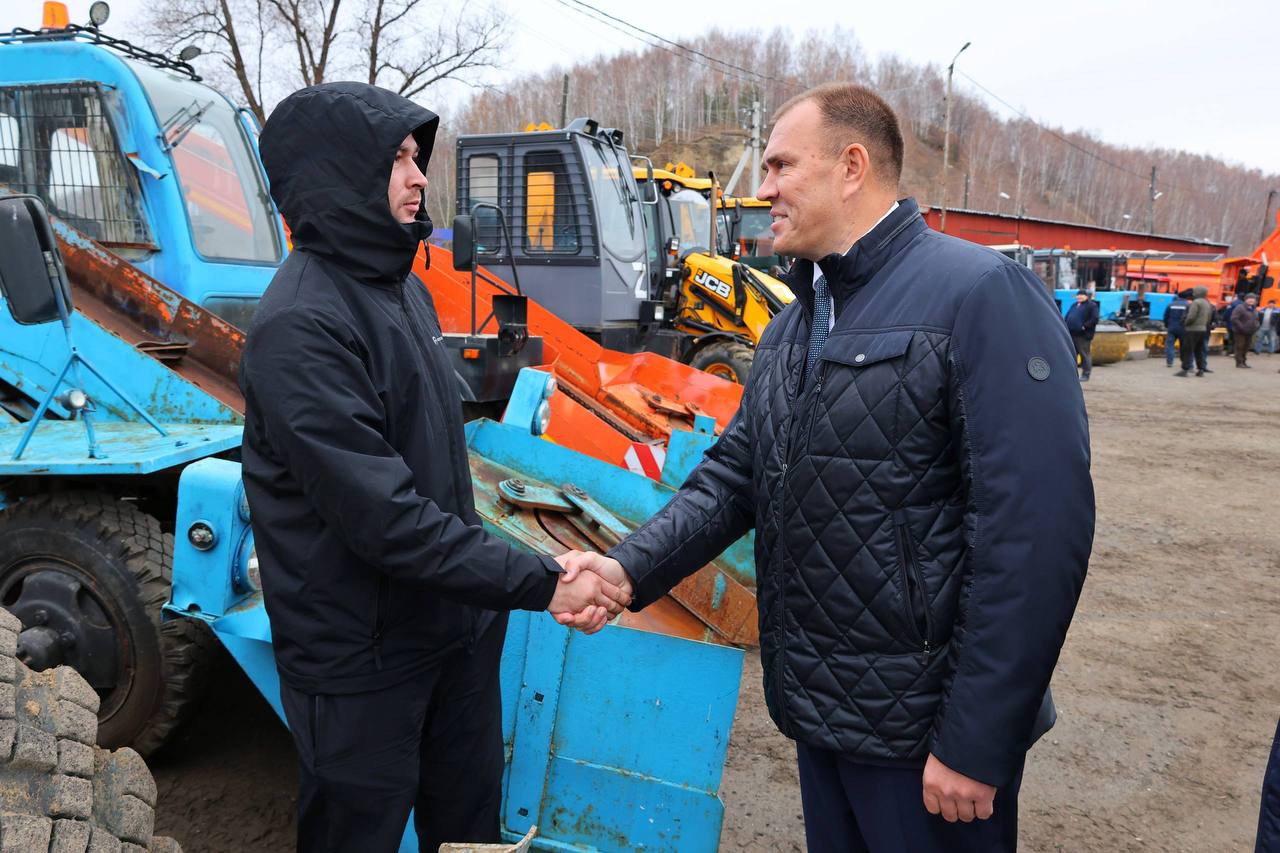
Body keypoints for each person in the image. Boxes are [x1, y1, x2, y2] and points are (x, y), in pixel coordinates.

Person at [558, 83, 1092, 853]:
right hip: (823, 718)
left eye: (780, 165)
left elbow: (1036, 534)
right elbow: (730, 481)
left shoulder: (979, 294)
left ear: (851, 166)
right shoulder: (789, 328)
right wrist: (623, 571)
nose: (762, 187)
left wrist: (976, 739)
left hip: (925, 741)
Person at [240, 82, 629, 853]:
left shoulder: (406, 290)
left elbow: (437, 470)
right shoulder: (299, 326)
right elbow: (386, 518)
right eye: (400, 159)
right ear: (339, 173)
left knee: (468, 832)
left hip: (450, 637)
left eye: (418, 158)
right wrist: (546, 580)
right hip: (363, 666)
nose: (420, 177)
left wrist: (493, 598)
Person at [1064, 288, 1100, 380]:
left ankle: (1086, 374)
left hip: (1083, 335)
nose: (1079, 296)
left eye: (1081, 295)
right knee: (1072, 355)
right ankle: (1072, 374)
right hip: (1072, 334)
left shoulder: (1092, 306)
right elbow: (1068, 316)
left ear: (1086, 296)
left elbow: (1094, 319)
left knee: (1084, 354)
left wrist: (1084, 326)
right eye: (1078, 295)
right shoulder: (1074, 305)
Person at [1178, 285, 1213, 377]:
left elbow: (1191, 316)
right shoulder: (1207, 303)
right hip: (1203, 329)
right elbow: (1209, 318)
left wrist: (1186, 323)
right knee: (1199, 350)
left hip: (1192, 329)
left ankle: (1185, 370)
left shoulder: (1196, 302)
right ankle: (1200, 369)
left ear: (1197, 293)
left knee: (1188, 349)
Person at [1232, 293, 1261, 367]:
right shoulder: (1240, 307)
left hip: (1250, 332)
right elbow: (1234, 318)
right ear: (1245, 300)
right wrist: (1241, 327)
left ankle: (1244, 361)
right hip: (1240, 332)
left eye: (1253, 299)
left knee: (1246, 347)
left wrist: (1256, 326)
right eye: (1249, 298)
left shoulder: (1254, 309)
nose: (1251, 300)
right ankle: (1239, 363)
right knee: (1240, 347)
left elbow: (1257, 320)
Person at [1162, 290, 1191, 367]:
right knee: (1183, 346)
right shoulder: (1188, 305)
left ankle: (1169, 362)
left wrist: (1167, 325)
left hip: (1172, 328)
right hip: (1183, 329)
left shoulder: (1171, 304)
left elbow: (1165, 316)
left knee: (1170, 345)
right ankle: (1183, 361)